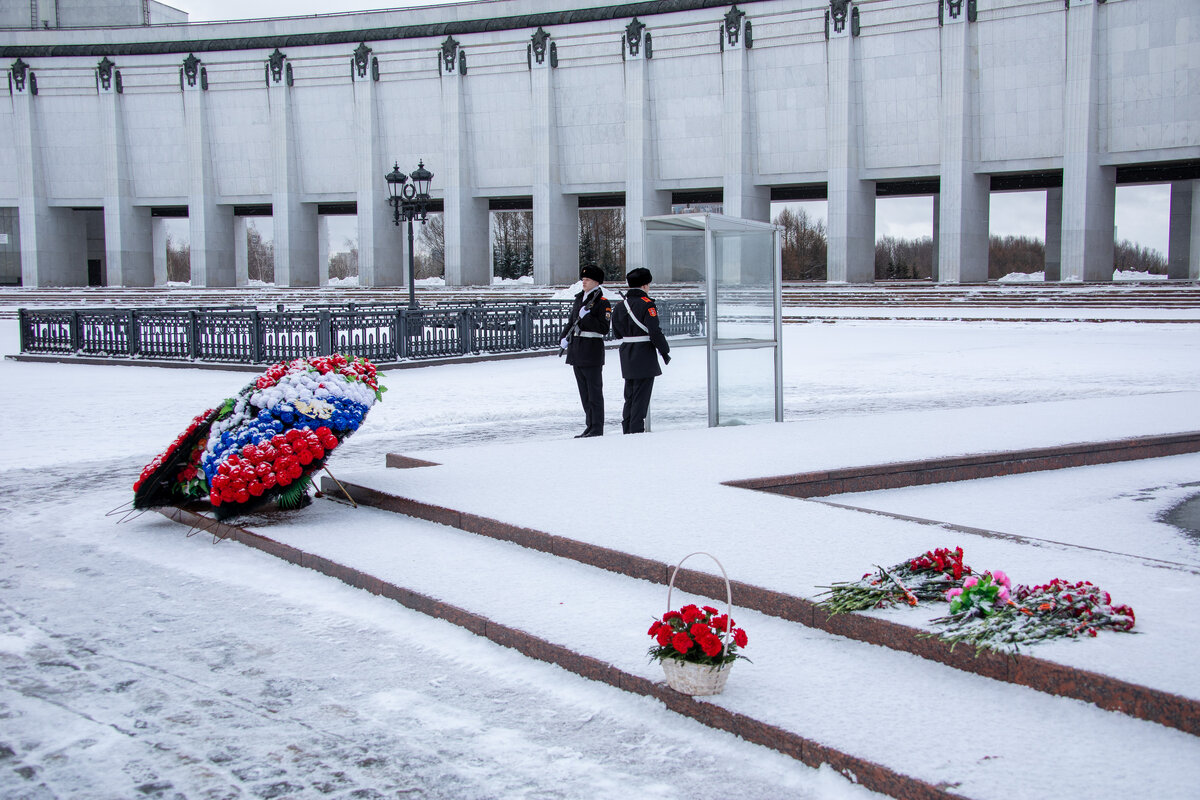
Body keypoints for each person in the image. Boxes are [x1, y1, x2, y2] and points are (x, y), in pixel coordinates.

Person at [610, 267, 670, 434]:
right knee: (641, 397)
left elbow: (616, 333)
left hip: (627, 352)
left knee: (629, 396)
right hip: (643, 353)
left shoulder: (621, 306)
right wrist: (664, 351)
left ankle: (627, 428)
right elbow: (654, 331)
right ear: (645, 285)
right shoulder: (647, 304)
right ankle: (636, 431)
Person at [559, 265, 611, 438]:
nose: (584, 282)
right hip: (577, 350)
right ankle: (589, 425)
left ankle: (597, 427)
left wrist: (587, 316)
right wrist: (564, 337)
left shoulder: (602, 302)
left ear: (596, 282)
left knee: (594, 393)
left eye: (587, 280)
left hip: (591, 351)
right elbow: (572, 320)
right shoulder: (580, 298)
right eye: (583, 279)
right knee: (584, 393)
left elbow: (604, 328)